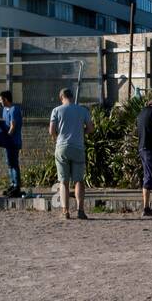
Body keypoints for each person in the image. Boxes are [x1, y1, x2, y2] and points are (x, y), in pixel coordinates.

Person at [49, 88, 94, 220]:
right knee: (79, 180)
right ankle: (80, 210)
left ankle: (65, 211)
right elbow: (90, 128)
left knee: (63, 181)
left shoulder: (56, 110)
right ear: (72, 97)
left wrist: (57, 136)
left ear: (61, 97)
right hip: (78, 147)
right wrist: (81, 133)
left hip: (62, 147)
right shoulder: (83, 110)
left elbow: (51, 130)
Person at [0, 91, 24, 197]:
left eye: (1, 100)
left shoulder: (14, 109)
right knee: (9, 164)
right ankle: (12, 184)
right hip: (8, 142)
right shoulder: (4, 110)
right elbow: (5, 124)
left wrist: (7, 138)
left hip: (14, 141)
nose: (0, 102)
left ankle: (17, 186)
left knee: (14, 163)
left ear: (6, 99)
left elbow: (13, 126)